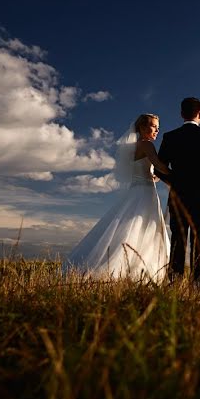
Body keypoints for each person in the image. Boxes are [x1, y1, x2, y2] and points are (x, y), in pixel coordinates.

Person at [64, 114, 171, 281]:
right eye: (153, 126)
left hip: (137, 191)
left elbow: (147, 173)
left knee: (127, 228)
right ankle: (135, 271)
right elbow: (159, 166)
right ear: (142, 128)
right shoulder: (147, 145)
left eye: (158, 127)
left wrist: (157, 177)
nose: (157, 130)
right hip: (146, 193)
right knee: (144, 230)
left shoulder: (133, 148)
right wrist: (178, 175)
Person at [158, 97, 200, 286]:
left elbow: (159, 168)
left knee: (178, 239)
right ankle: (196, 284)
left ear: (181, 114)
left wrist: (174, 182)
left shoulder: (170, 137)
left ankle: (175, 282)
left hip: (178, 195)